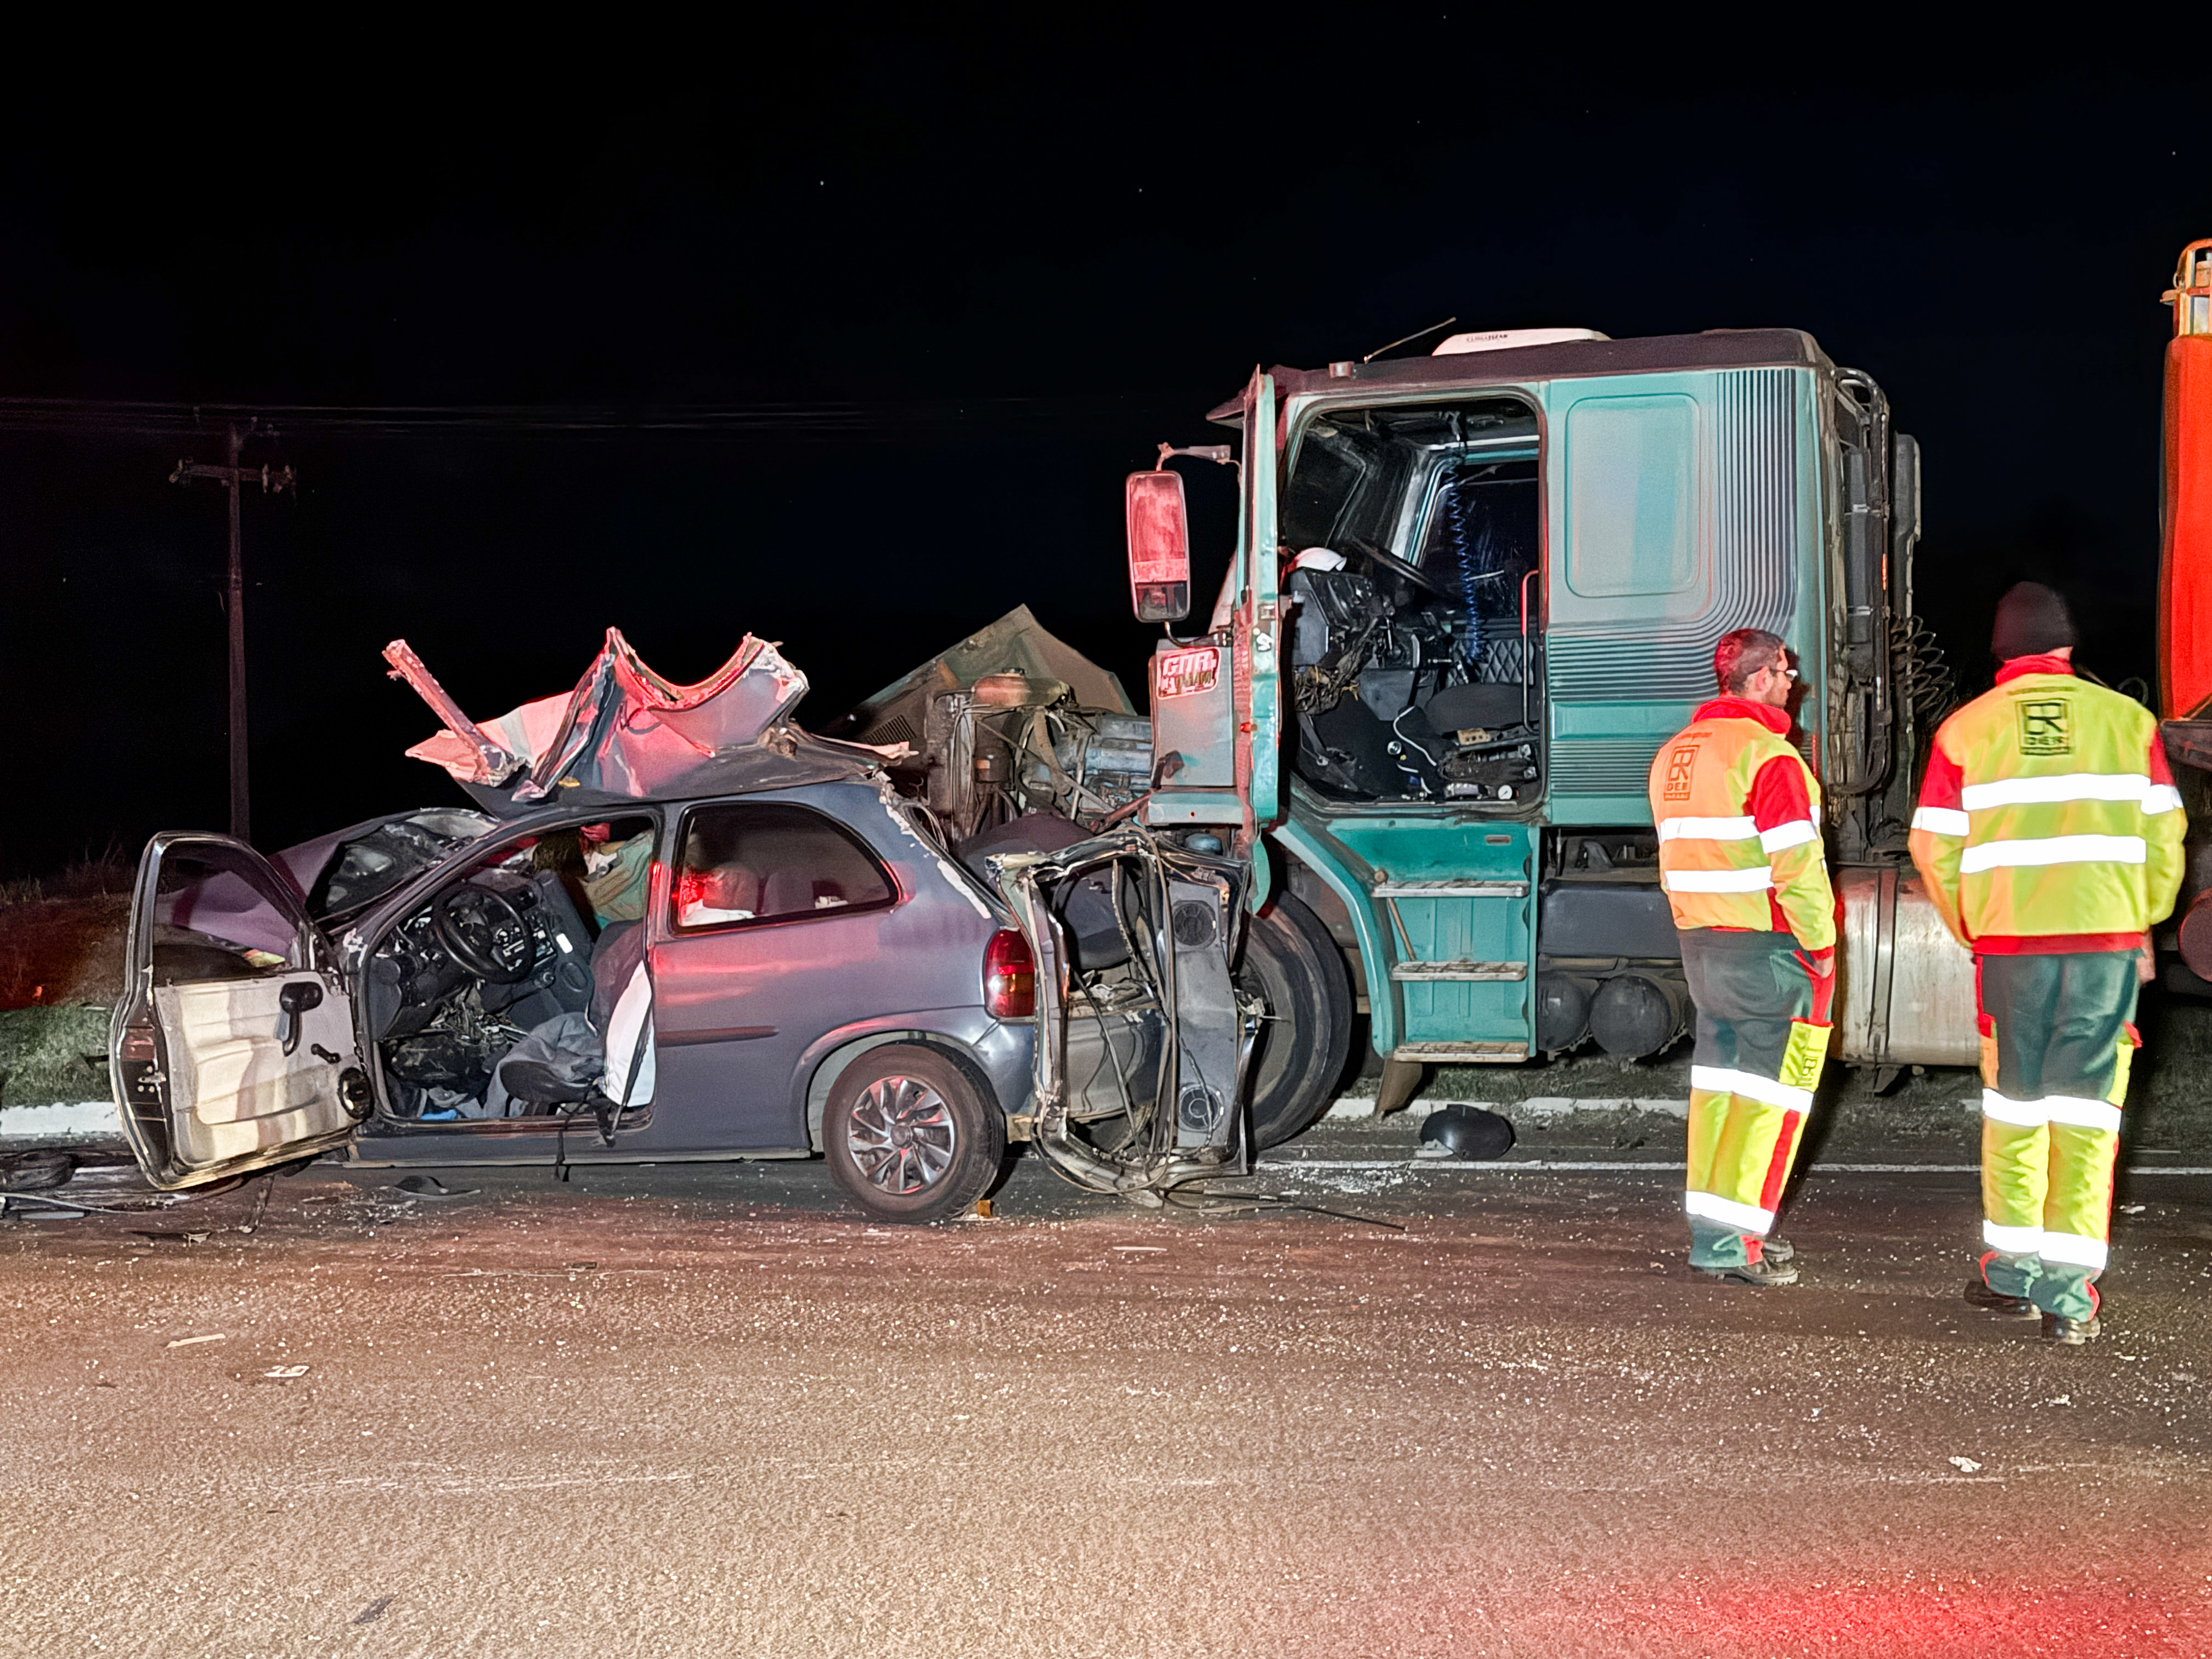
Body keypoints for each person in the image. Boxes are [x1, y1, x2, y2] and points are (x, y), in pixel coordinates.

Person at [1909, 582, 2185, 1344]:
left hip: (2012, 952)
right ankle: (2069, 1296)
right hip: (2103, 949)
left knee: (2016, 1109)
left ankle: (2012, 1274)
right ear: (2068, 646)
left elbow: (1933, 845)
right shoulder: (2128, 723)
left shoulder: (1967, 731)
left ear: (2001, 651)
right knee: (2090, 1115)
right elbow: (2167, 839)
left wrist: (1975, 926)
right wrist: (2141, 917)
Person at [1648, 627, 1836, 1286]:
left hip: (1702, 946)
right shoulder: (1769, 758)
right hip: (1768, 951)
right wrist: (1821, 945)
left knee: (1719, 1090)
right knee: (1770, 1098)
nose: (1793, 684)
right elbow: (1799, 868)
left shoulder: (1677, 754)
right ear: (1760, 678)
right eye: (1785, 672)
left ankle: (1715, 1231)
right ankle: (1738, 1242)